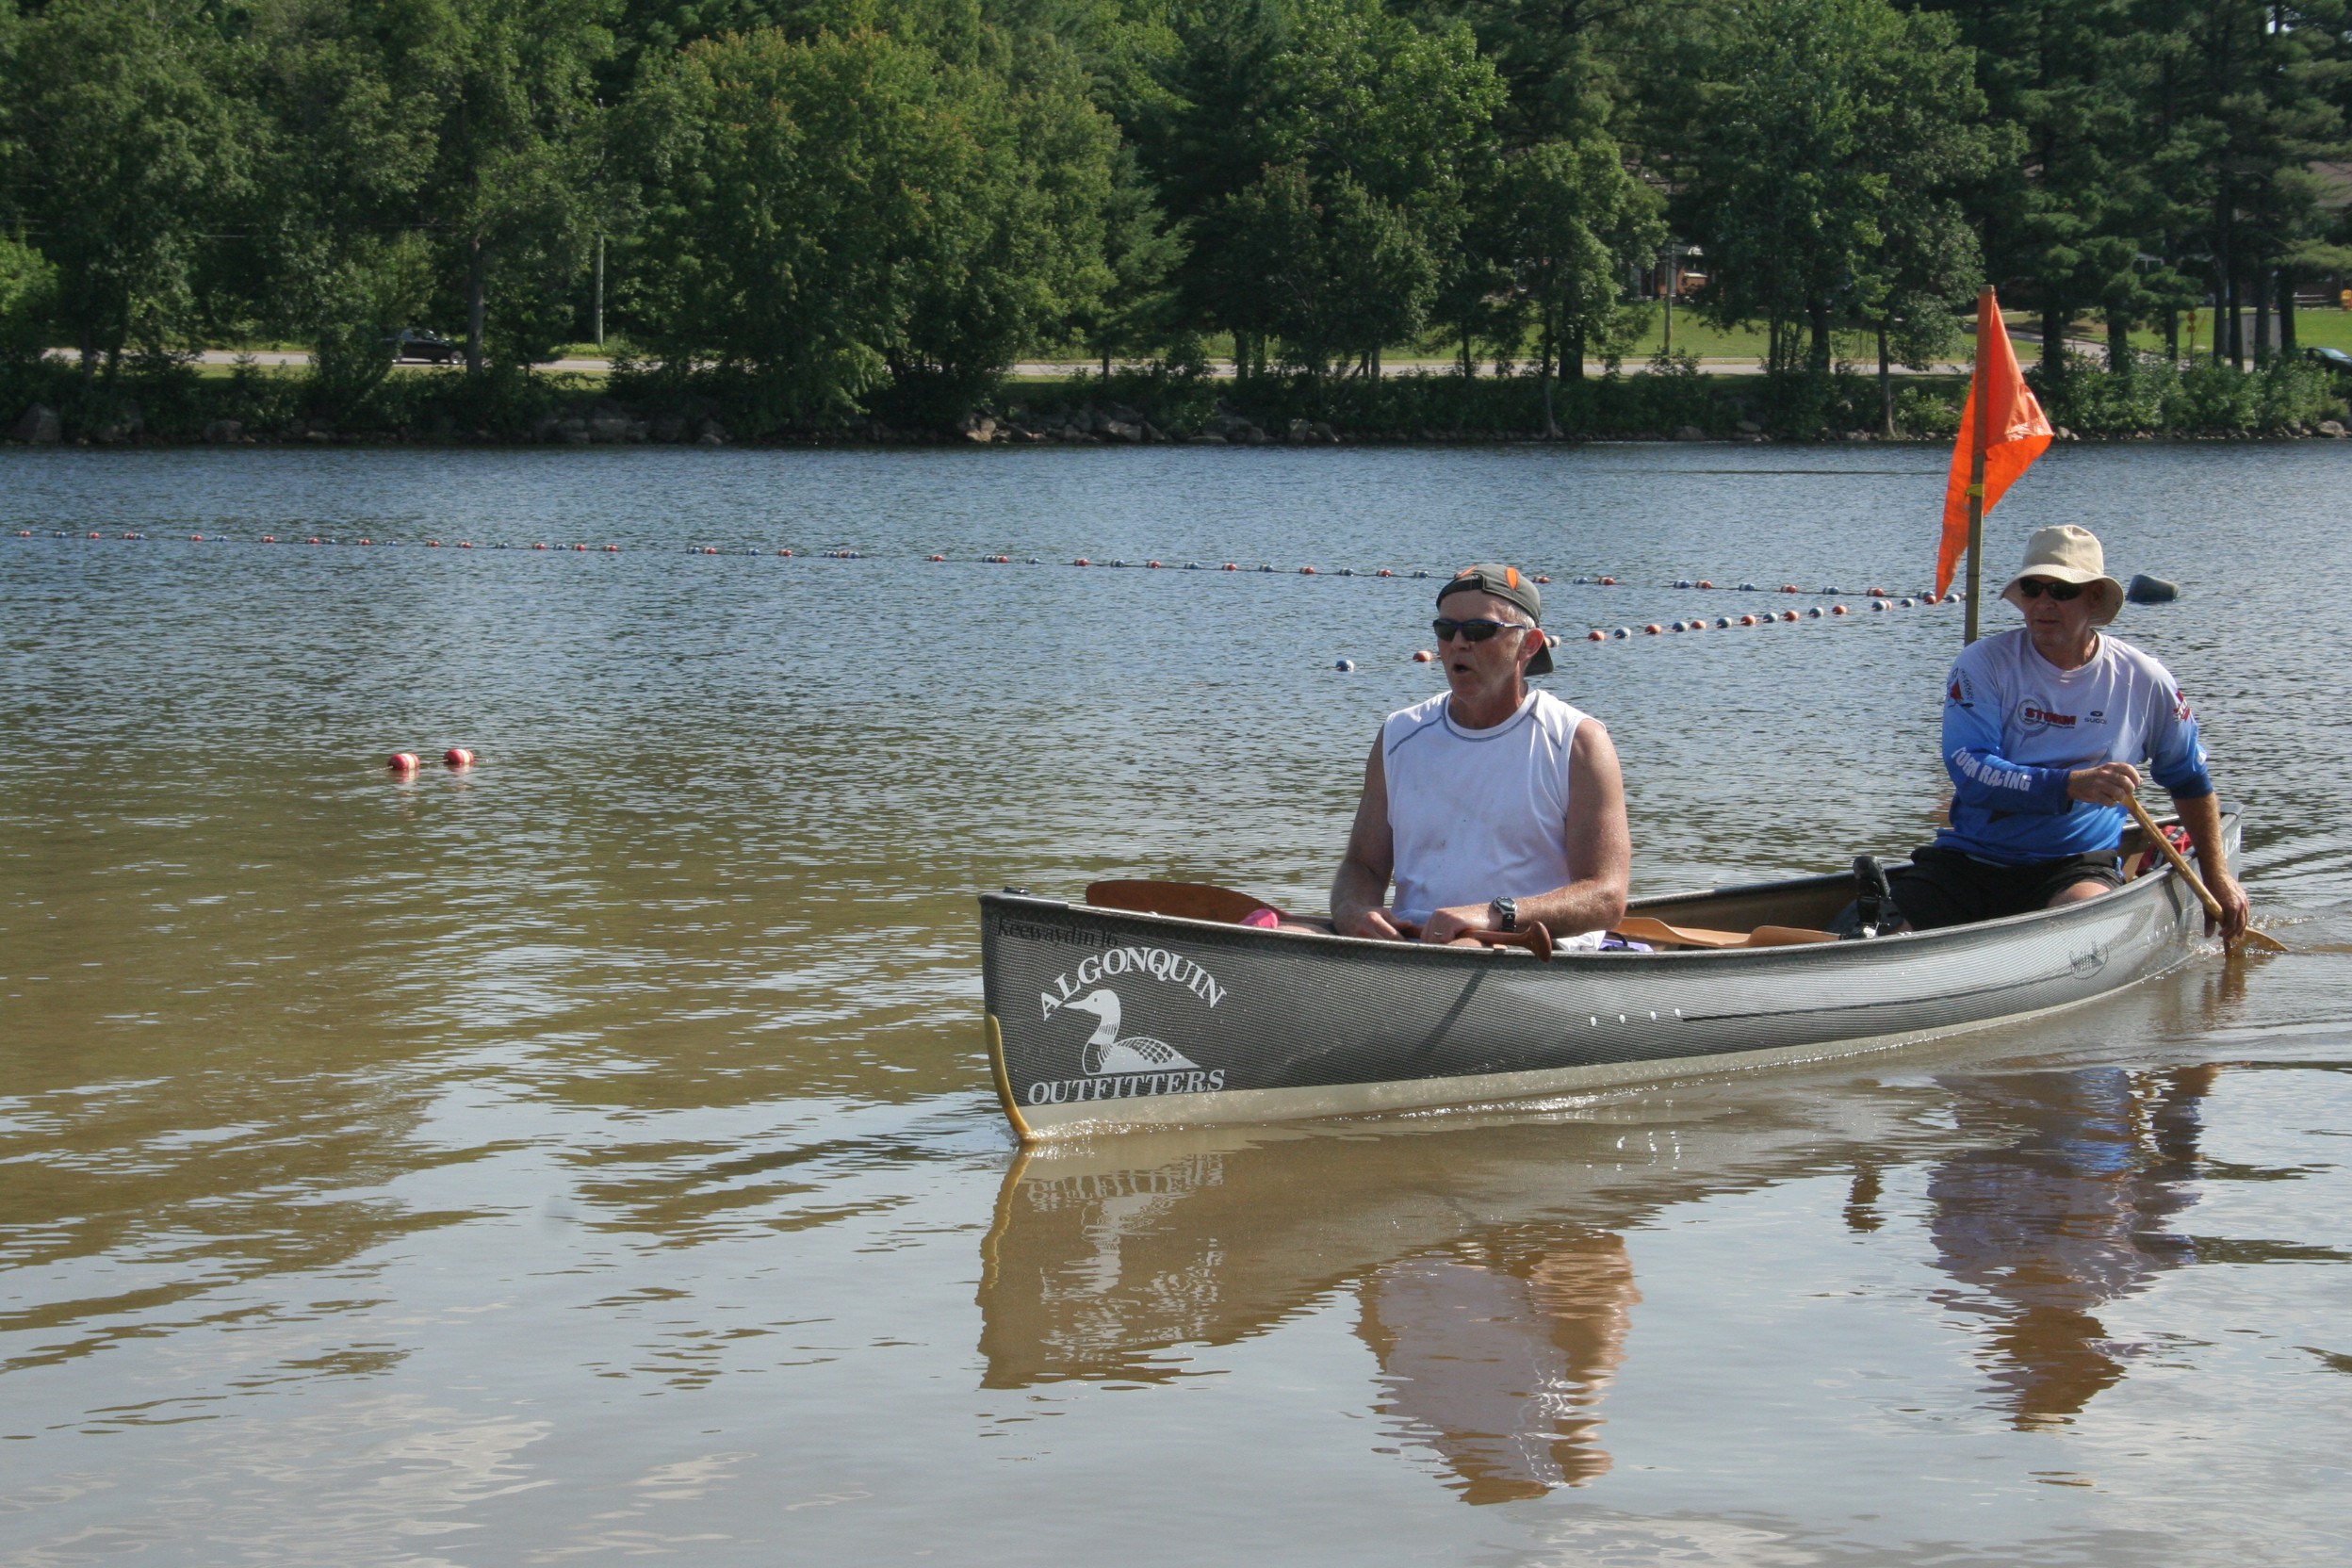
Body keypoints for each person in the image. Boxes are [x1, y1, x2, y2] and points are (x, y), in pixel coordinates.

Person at [1887, 524, 2249, 937]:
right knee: (1885, 930)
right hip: (1972, 859)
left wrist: (2217, 876)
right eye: (2032, 589)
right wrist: (2072, 785)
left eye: (2061, 590)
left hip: (2075, 865)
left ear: (2094, 597)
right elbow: (1970, 771)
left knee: (2082, 913)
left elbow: (2188, 780)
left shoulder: (2144, 678)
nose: (2044, 603)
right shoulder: (1981, 663)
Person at [1331, 564, 1631, 947]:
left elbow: (1606, 896)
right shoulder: (1399, 733)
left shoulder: (1578, 742)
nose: (1458, 643)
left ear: (1529, 644)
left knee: (1462, 948)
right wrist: (1353, 910)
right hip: (1417, 936)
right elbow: (1363, 865)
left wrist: (1496, 913)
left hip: (1525, 940)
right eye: (1446, 630)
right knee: (1281, 933)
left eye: (1478, 630)